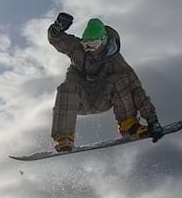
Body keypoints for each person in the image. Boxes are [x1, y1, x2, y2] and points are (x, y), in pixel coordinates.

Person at [48, 13, 164, 152]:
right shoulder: (78, 50)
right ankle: (64, 138)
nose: (88, 49)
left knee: (119, 80)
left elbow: (137, 90)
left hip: (103, 98)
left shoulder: (117, 62)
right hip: (79, 100)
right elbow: (57, 39)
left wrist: (152, 120)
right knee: (66, 87)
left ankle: (129, 125)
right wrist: (56, 28)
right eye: (85, 45)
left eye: (92, 45)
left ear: (102, 41)